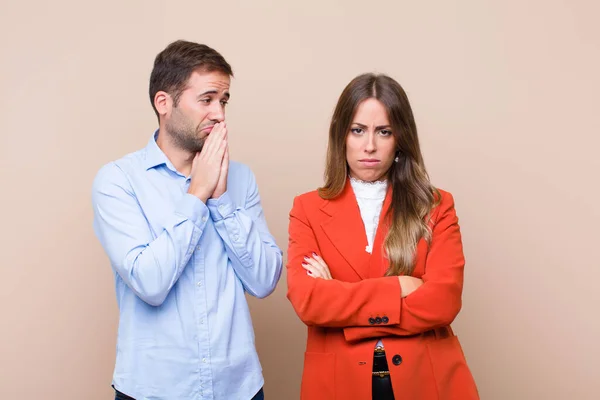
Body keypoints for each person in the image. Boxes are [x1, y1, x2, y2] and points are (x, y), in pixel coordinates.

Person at [92, 40, 282, 400]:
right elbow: (150, 282)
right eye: (207, 99)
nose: (220, 115)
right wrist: (197, 195)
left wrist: (222, 201)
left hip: (239, 388)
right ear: (164, 103)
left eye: (223, 101)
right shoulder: (117, 181)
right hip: (154, 390)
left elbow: (264, 281)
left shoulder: (240, 179)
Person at [286, 73, 479, 399]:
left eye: (384, 132)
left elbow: (443, 302)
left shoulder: (437, 205)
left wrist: (339, 294)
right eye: (358, 130)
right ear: (341, 135)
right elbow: (309, 302)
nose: (370, 145)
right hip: (339, 383)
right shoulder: (307, 209)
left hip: (425, 380)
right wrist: (400, 287)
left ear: (400, 138)